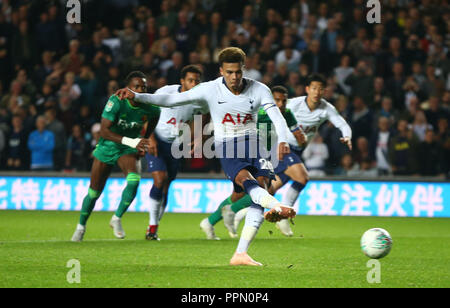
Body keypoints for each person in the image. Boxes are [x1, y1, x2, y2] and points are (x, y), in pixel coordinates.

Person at [116, 47, 296, 266]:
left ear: (243, 69)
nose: (234, 77)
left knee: (262, 185)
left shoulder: (259, 89)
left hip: (254, 141)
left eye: (238, 72)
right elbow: (170, 100)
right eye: (229, 72)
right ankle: (275, 205)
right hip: (227, 144)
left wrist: (284, 140)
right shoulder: (209, 89)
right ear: (221, 71)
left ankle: (241, 253)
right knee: (245, 181)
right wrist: (137, 96)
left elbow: (277, 116)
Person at [214, 74, 353, 237]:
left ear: (324, 91)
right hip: (283, 149)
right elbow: (269, 112)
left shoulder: (326, 109)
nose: (317, 92)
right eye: (314, 88)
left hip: (297, 151)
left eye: (320, 89)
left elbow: (341, 123)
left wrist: (347, 135)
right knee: (302, 177)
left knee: (268, 190)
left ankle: (235, 212)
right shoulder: (293, 105)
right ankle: (282, 215)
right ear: (308, 89)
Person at [202, 86, 307, 239]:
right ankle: (234, 213)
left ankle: (210, 221)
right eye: (277, 100)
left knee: (240, 194)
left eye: (284, 101)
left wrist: (300, 137)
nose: (281, 104)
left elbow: (296, 132)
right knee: (264, 189)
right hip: (247, 153)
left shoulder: (287, 114)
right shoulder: (261, 113)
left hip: (263, 155)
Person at [71, 71, 161, 242]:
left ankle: (116, 218)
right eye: (136, 87)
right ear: (128, 88)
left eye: (144, 87)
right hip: (108, 145)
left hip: (128, 148)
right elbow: (104, 131)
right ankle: (81, 226)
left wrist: (145, 137)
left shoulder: (151, 106)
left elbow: (155, 117)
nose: (141, 90)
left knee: (134, 180)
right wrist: (132, 141)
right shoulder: (117, 101)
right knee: (94, 193)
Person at [145, 65, 208, 241]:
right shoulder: (166, 92)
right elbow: (148, 113)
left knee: (166, 184)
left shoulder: (200, 100)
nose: (194, 83)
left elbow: (205, 115)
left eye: (197, 80)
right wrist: (150, 138)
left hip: (176, 146)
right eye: (190, 80)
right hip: (157, 141)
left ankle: (154, 227)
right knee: (159, 179)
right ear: (182, 81)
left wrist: (198, 137)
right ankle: (152, 227)